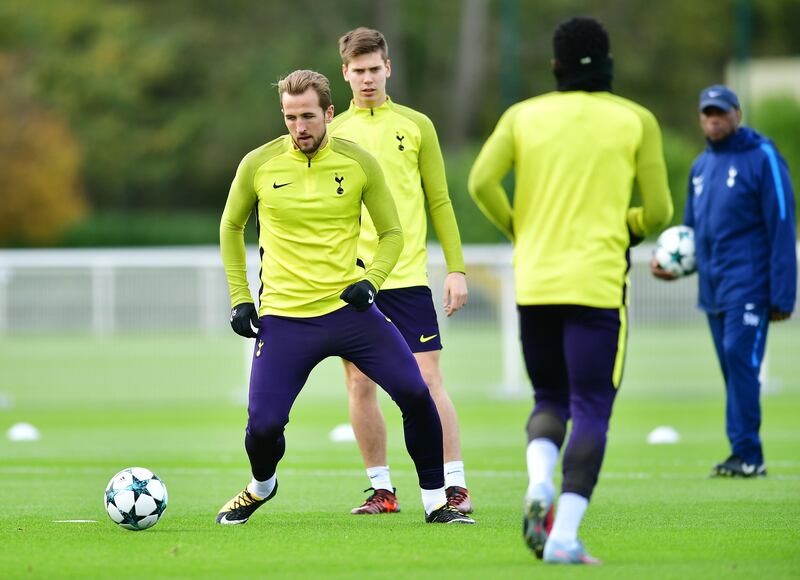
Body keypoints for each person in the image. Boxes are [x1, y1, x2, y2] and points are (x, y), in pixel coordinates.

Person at [217, 69, 474, 525]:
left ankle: (437, 502)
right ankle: (261, 486)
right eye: (291, 117)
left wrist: (372, 280)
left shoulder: (358, 163)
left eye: (309, 116)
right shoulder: (258, 164)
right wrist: (240, 297)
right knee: (263, 427)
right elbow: (231, 226)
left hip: (351, 313)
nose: (300, 128)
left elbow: (393, 233)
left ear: (329, 114)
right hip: (285, 319)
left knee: (417, 393)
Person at [469, 17, 673, 564]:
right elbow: (659, 212)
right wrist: (626, 225)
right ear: (607, 62)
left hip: (535, 280)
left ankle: (540, 482)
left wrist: (521, 227)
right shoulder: (636, 120)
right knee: (591, 407)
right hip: (598, 284)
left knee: (548, 399)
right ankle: (563, 538)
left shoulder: (523, 116)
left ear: (555, 64)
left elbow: (479, 183)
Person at [329, 28, 473, 515]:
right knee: (359, 384)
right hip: (353, 279)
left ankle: (454, 485)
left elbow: (440, 200)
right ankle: (382, 491)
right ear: (344, 73)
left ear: (388, 68)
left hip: (408, 276)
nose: (367, 78)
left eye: (374, 69)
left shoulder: (416, 125)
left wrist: (456, 268)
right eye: (358, 71)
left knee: (428, 380)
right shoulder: (334, 133)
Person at [651, 85, 796, 478]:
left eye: (721, 112)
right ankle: (743, 452)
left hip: (750, 285)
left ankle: (748, 453)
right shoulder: (701, 168)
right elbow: (694, 236)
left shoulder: (763, 157)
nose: (714, 119)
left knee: (739, 357)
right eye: (707, 114)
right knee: (732, 368)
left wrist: (784, 294)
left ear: (737, 114)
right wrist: (671, 266)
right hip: (714, 289)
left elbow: (782, 225)